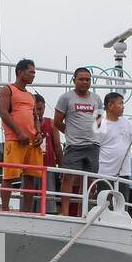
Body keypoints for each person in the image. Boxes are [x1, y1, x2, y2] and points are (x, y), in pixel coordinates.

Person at [53, 68, 101, 216]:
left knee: (88, 181)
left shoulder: (96, 99)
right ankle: (65, 212)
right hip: (74, 146)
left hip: (93, 145)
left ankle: (83, 213)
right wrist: (71, 133)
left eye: (88, 79)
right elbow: (57, 121)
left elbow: (99, 121)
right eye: (81, 79)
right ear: (74, 80)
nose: (85, 82)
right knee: (68, 178)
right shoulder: (66, 98)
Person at [0, 59, 44, 212]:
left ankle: (27, 211)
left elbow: (35, 118)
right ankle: (4, 209)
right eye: (31, 72)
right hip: (14, 139)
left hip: (31, 141)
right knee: (9, 177)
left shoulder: (31, 96)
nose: (33, 75)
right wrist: (18, 132)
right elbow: (4, 113)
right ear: (20, 72)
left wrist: (38, 133)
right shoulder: (7, 90)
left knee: (30, 176)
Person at [95, 92, 132, 208]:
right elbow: (95, 147)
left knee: (122, 207)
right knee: (104, 206)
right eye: (120, 103)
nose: (123, 106)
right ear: (110, 105)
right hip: (104, 173)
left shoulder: (126, 122)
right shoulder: (100, 123)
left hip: (124, 173)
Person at [36, 93, 61, 214]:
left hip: (48, 168)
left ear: (44, 107)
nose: (38, 112)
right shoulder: (26, 125)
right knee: (30, 203)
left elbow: (57, 147)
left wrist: (62, 169)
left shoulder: (51, 123)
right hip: (31, 168)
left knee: (49, 206)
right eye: (35, 109)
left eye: (40, 109)